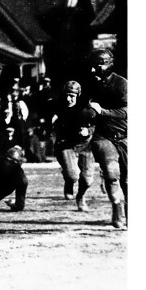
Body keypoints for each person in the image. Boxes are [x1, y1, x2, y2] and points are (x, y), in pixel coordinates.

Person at [84, 48, 127, 228]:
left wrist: (102, 111)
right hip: (103, 136)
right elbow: (83, 109)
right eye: (92, 67)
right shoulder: (90, 84)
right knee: (111, 173)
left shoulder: (122, 84)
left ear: (108, 65)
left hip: (125, 135)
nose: (93, 71)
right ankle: (118, 209)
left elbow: (127, 111)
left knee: (128, 178)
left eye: (97, 66)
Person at [51, 80, 96, 211]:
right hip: (66, 144)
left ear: (78, 95)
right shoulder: (58, 106)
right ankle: (68, 181)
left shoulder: (86, 108)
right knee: (73, 175)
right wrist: (53, 122)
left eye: (72, 95)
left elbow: (98, 124)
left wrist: (88, 131)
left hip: (85, 144)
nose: (68, 98)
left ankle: (80, 197)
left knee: (87, 180)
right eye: (66, 95)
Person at [0, 145, 29, 212]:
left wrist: (13, 205)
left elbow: (19, 205)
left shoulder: (21, 178)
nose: (8, 164)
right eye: (7, 160)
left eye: (12, 162)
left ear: (18, 164)